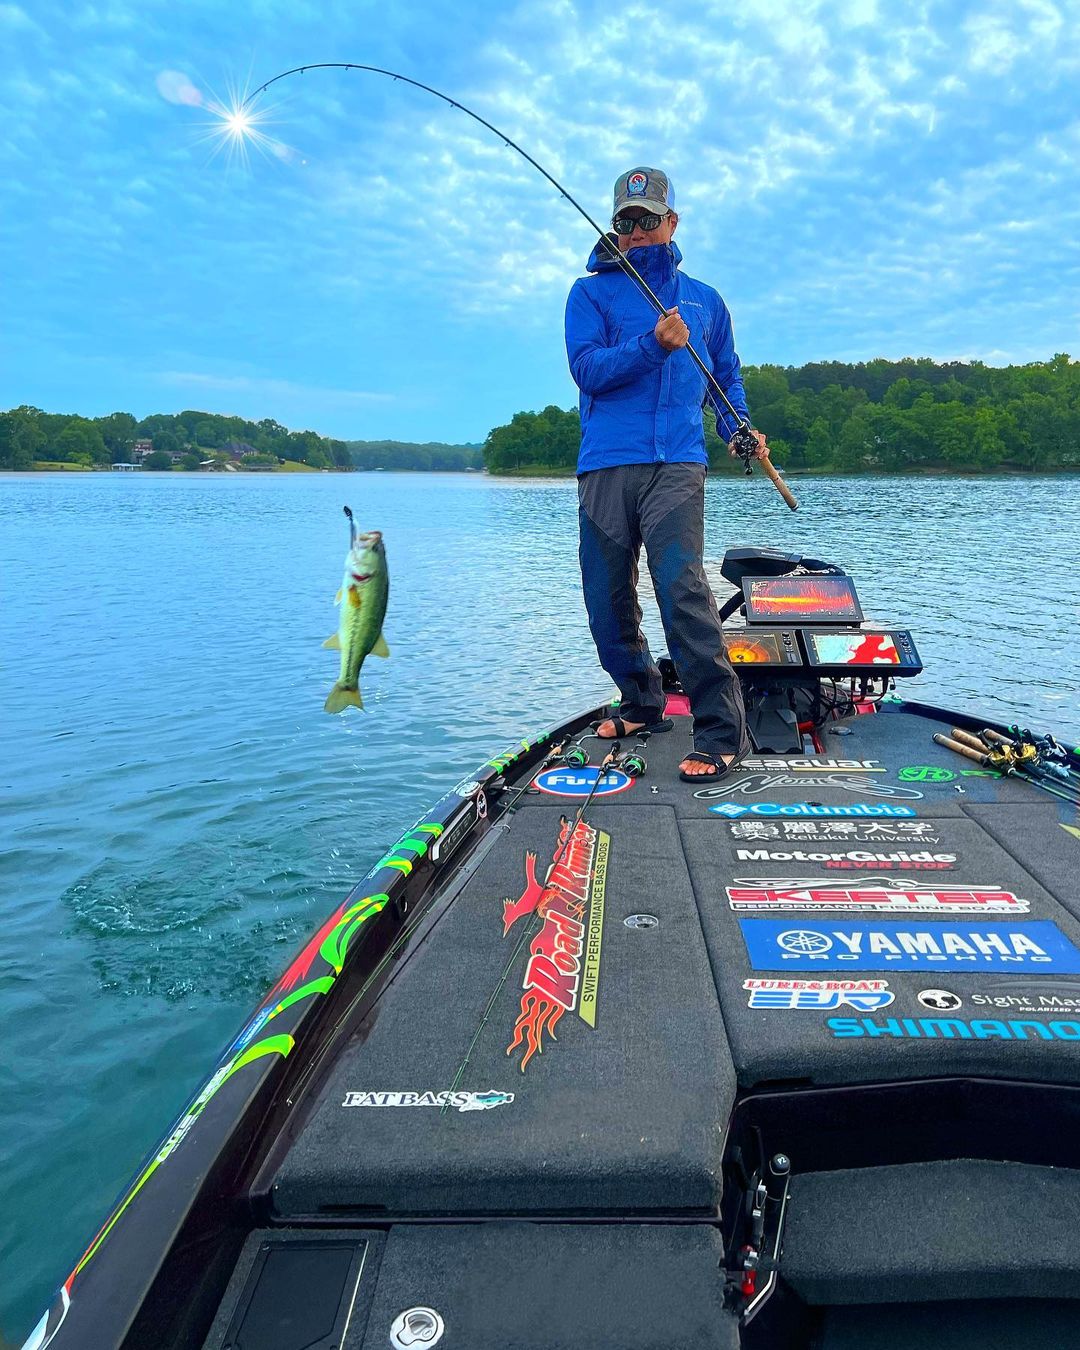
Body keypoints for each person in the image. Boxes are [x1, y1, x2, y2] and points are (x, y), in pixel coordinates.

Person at [564, 166, 769, 781]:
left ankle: (720, 730)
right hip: (605, 463)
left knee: (682, 590)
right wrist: (652, 344)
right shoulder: (589, 293)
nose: (638, 230)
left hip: (678, 462)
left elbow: (725, 378)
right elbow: (588, 371)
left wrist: (740, 427)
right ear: (616, 225)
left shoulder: (705, 300)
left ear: (672, 221)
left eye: (649, 219)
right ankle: (642, 700)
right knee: (606, 596)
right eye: (627, 220)